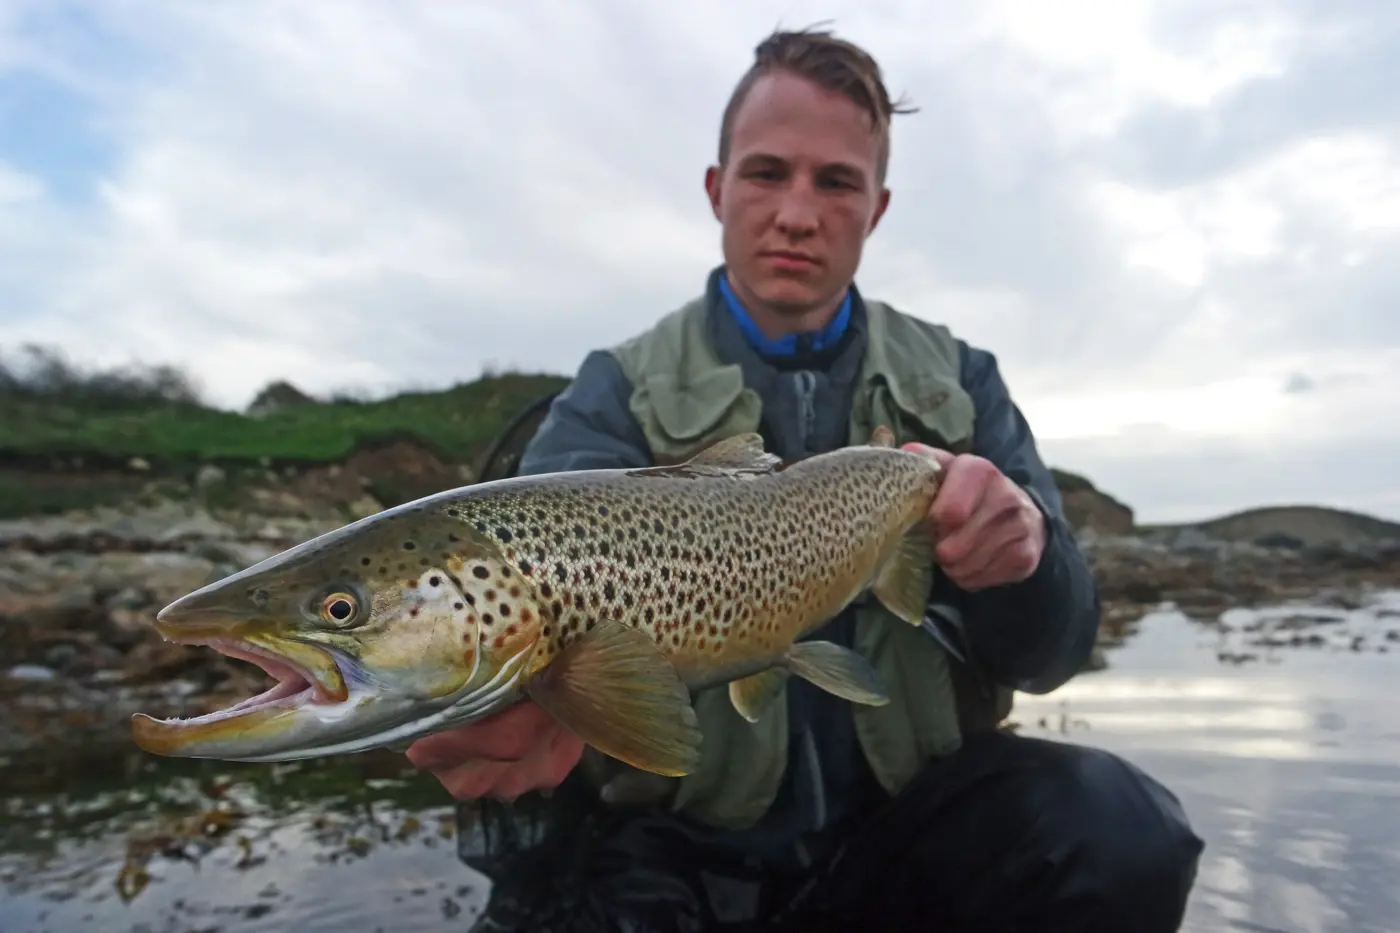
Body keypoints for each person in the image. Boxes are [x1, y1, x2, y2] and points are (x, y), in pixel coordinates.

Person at [408, 26, 1204, 933]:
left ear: (879, 206)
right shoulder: (615, 390)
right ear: (716, 190)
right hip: (677, 856)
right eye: (766, 172)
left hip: (915, 842)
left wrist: (1025, 557)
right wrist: (510, 701)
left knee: (1119, 832)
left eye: (836, 182)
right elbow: (526, 586)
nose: (797, 212)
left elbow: (1057, 652)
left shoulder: (963, 379)